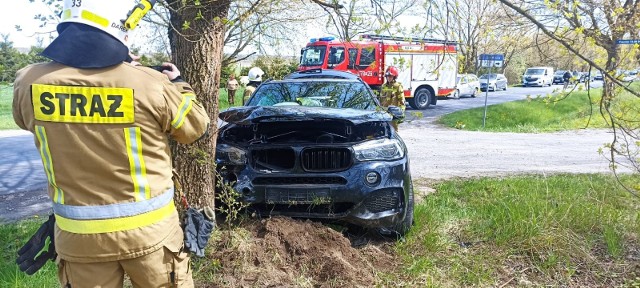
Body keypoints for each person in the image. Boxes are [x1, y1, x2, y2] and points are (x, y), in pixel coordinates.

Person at [12, 0, 209, 287]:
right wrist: (178, 84)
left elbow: (26, 120)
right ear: (120, 29)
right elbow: (196, 127)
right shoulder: (150, 83)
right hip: (151, 236)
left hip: (77, 239)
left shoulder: (28, 82)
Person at [379, 66, 406, 131]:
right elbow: (381, 100)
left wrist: (401, 112)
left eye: (390, 76)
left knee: (393, 132)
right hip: (384, 113)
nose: (389, 78)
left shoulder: (397, 86)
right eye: (387, 76)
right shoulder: (384, 86)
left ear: (394, 77)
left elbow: (402, 101)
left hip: (393, 114)